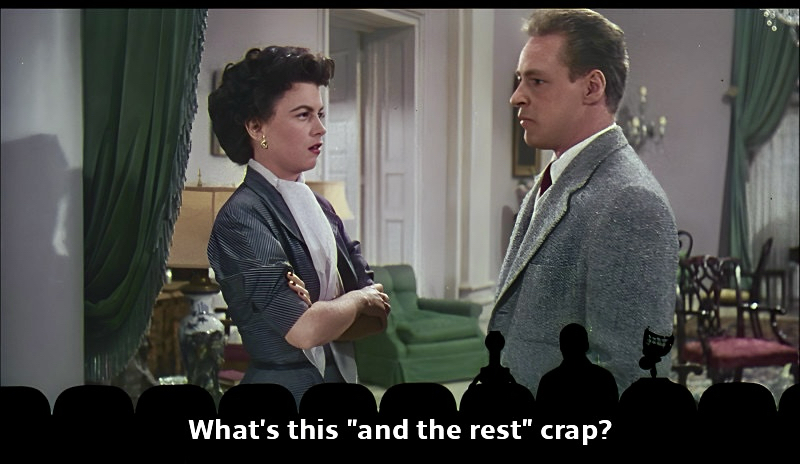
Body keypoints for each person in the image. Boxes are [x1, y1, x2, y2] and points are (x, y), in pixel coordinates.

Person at [488, 9, 678, 398]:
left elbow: (629, 378)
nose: (516, 96)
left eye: (536, 81)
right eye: (520, 80)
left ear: (592, 88)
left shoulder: (629, 200)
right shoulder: (556, 178)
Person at [207, 45, 390, 406]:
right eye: (303, 115)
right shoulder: (242, 217)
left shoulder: (322, 207)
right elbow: (303, 330)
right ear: (256, 126)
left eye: (320, 114)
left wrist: (326, 309)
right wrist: (355, 299)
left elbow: (378, 315)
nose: (321, 128)